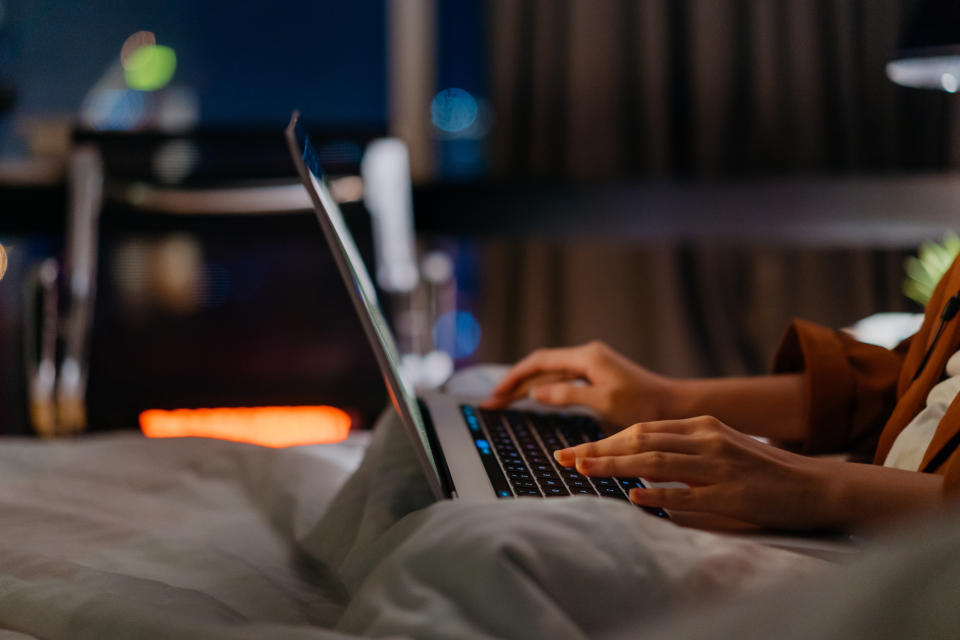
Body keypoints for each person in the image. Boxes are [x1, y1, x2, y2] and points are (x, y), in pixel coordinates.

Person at [481, 253, 960, 531]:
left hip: (907, 567)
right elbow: (900, 391)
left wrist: (813, 486)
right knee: (491, 403)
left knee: (494, 540)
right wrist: (665, 400)